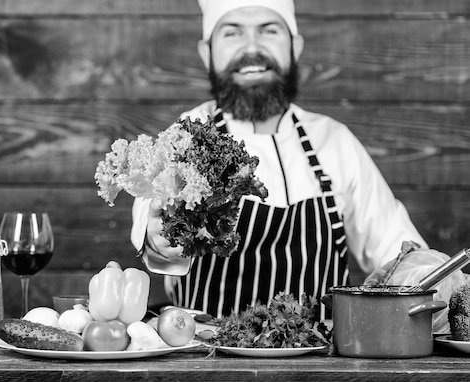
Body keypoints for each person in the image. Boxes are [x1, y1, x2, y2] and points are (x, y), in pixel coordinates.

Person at [130, 0, 427, 318]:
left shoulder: (334, 142)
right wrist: (162, 237)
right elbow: (156, 240)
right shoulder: (184, 138)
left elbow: (397, 251)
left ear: (295, 46)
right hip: (208, 356)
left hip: (321, 359)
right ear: (207, 53)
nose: (252, 47)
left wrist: (437, 278)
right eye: (232, 33)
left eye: (268, 30)